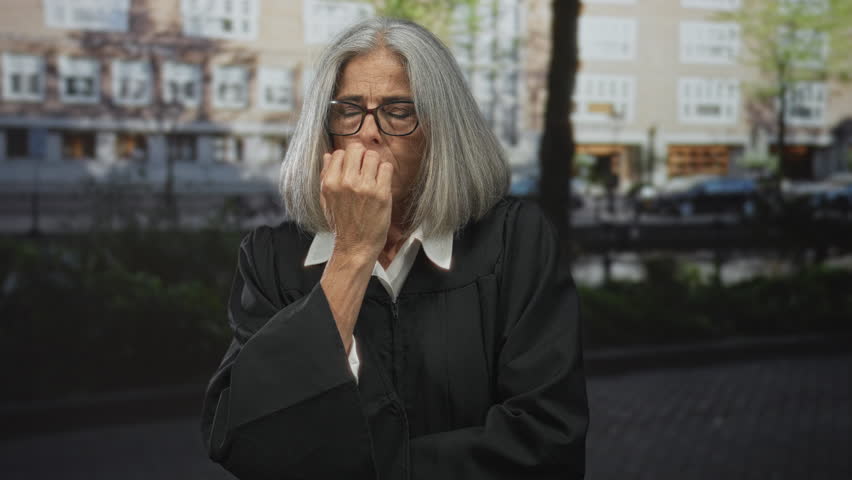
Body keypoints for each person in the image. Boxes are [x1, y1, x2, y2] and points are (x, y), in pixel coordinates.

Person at [200, 17, 588, 480]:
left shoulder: (514, 241)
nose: (368, 133)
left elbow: (548, 439)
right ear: (326, 130)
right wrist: (352, 253)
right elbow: (243, 438)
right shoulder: (272, 259)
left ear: (440, 130)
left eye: (397, 111)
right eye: (349, 110)